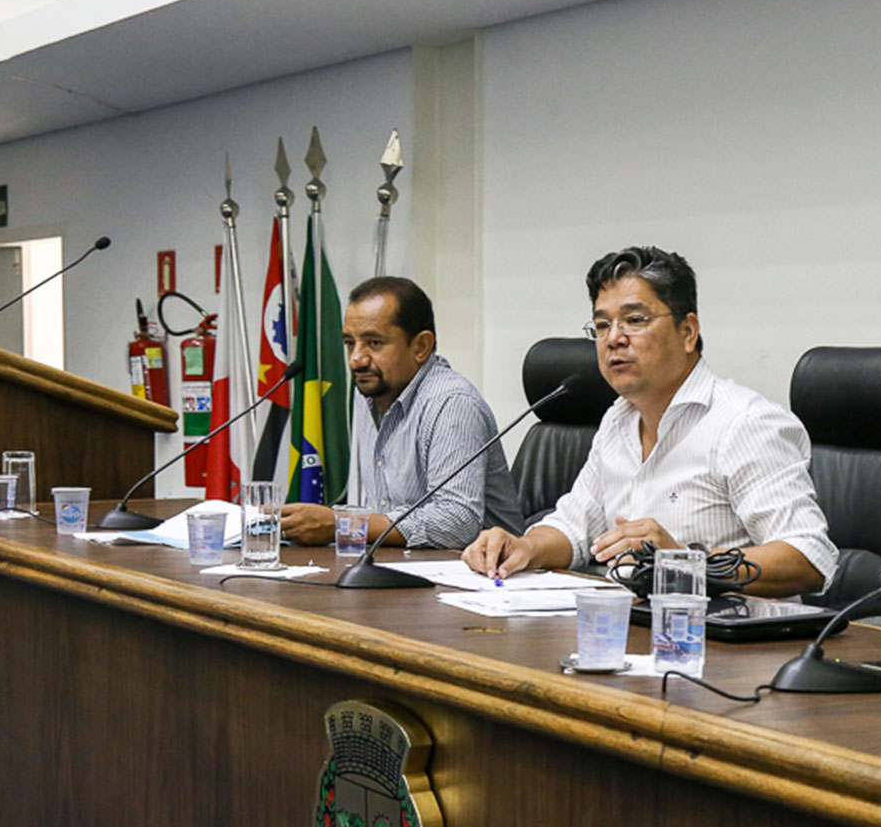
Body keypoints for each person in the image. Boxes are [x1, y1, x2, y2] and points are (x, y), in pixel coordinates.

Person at [463, 246, 834, 598]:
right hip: (630, 629)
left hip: (722, 645)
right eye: (602, 325)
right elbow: (575, 528)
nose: (614, 339)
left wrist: (683, 562)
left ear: (688, 332)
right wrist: (523, 546)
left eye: (634, 321)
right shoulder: (618, 420)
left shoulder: (744, 424)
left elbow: (809, 558)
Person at [280, 276, 523, 549]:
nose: (356, 359)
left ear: (420, 347)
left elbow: (456, 524)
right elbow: (382, 509)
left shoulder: (451, 403)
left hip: (481, 579)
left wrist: (343, 523)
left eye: (373, 343)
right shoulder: (371, 394)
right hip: (404, 567)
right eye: (350, 343)